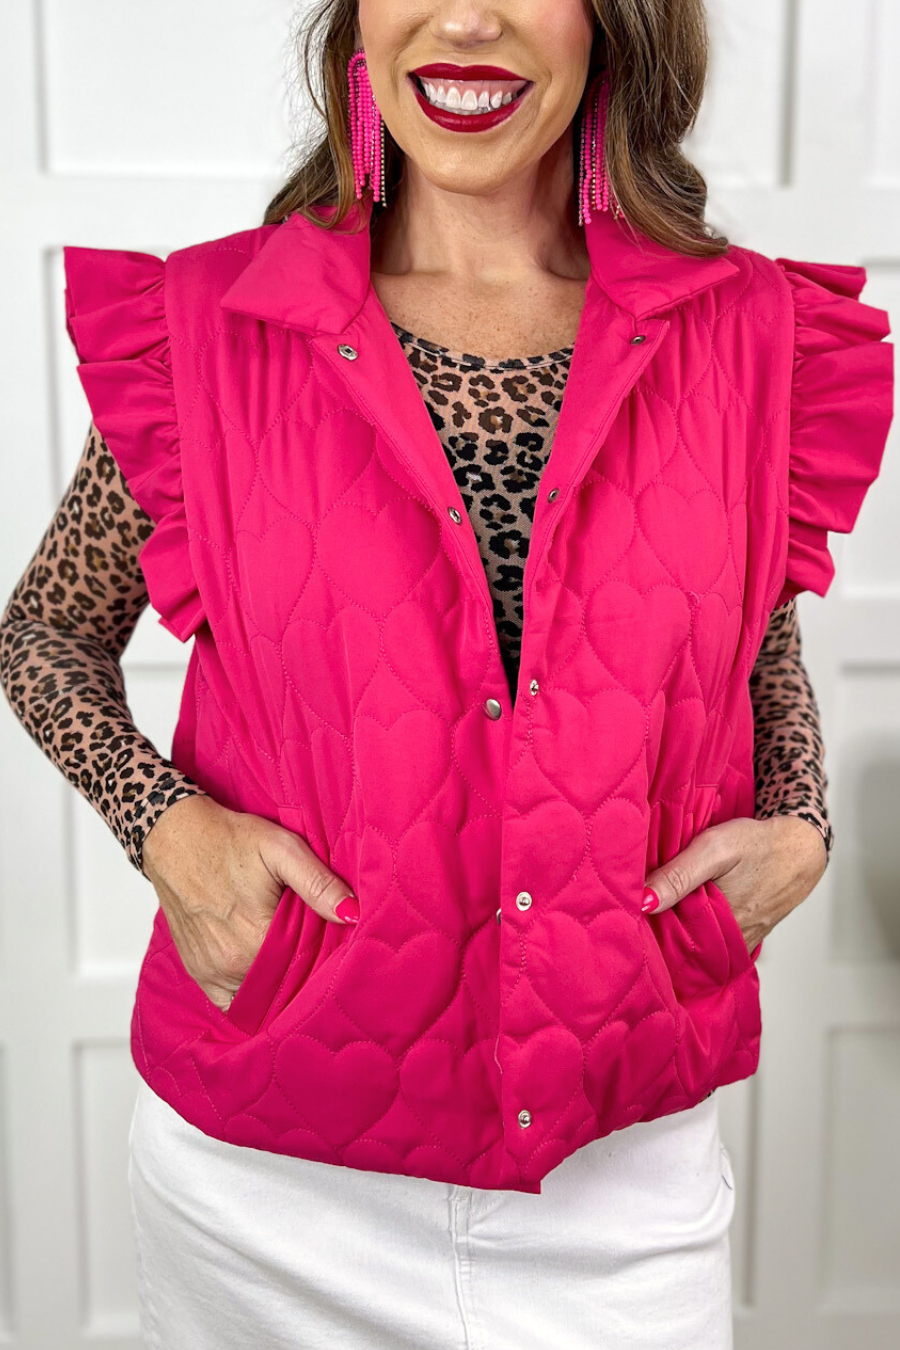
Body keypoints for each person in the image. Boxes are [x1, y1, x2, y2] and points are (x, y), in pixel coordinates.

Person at [0, 1, 893, 1346]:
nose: (466, 17)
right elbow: (44, 633)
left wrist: (803, 820)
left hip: (618, 1179)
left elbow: (751, 627)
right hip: (265, 1191)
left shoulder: (752, 331)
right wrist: (168, 829)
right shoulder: (212, 330)